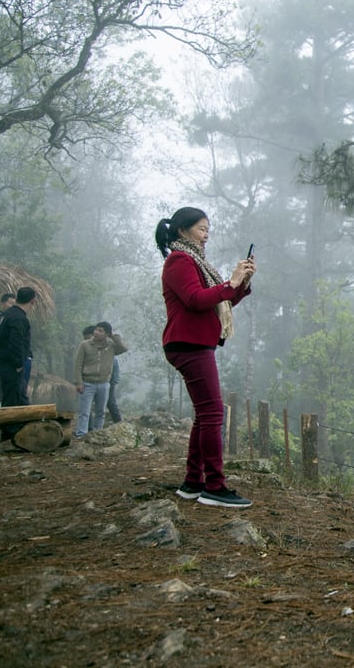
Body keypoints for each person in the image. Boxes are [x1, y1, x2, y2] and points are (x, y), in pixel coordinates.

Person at [155, 206, 256, 508]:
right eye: (201, 228)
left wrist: (241, 284)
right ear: (183, 230)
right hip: (188, 344)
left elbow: (219, 301)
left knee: (205, 414)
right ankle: (215, 486)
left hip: (196, 342)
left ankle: (193, 482)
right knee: (213, 414)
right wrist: (231, 283)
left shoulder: (195, 262)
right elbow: (196, 300)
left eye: (208, 229)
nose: (206, 234)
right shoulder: (179, 260)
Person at [0, 287, 36, 439]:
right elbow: (16, 342)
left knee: (18, 394)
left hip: (4, 361)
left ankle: (24, 424)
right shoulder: (18, 318)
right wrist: (18, 363)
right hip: (10, 363)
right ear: (33, 300)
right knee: (12, 395)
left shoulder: (9, 314)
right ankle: (10, 430)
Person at [73, 322, 127, 438]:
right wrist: (79, 382)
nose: (96, 332)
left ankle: (98, 434)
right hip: (87, 383)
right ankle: (81, 435)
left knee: (100, 412)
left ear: (107, 334)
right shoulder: (85, 345)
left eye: (100, 330)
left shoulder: (111, 346)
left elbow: (123, 348)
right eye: (96, 330)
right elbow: (78, 364)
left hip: (104, 383)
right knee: (84, 411)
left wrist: (112, 336)